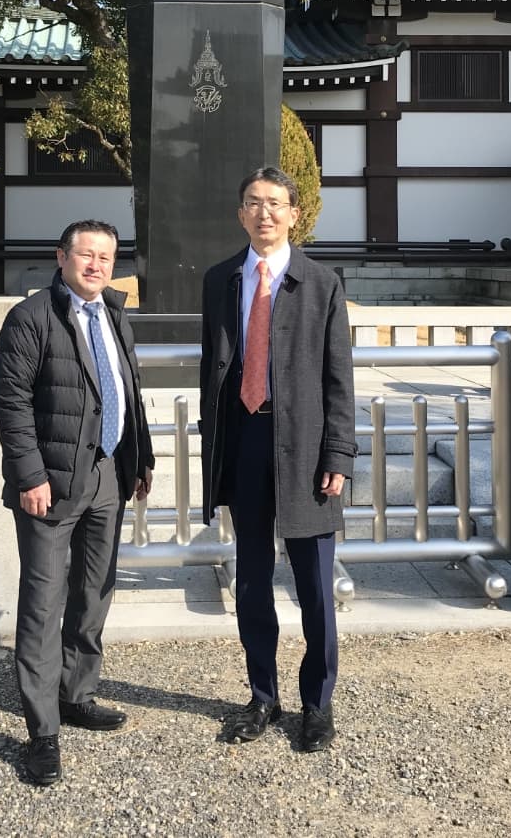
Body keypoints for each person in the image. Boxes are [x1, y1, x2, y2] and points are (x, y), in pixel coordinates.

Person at [0, 220, 154, 787]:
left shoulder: (113, 313)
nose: (95, 265)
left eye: (105, 257)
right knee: (43, 605)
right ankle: (42, 732)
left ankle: (76, 693)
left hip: (107, 476)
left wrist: (141, 461)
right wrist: (30, 475)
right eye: (85, 254)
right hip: (51, 486)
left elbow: (128, 389)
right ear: (61, 257)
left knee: (94, 592)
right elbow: (9, 403)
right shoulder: (30, 318)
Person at [199, 167, 356, 752]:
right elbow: (211, 368)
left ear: (295, 213)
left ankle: (318, 705)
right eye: (252, 204)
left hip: (307, 449)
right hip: (244, 440)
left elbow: (340, 378)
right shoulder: (220, 279)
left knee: (315, 583)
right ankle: (262, 695)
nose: (264, 213)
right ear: (240, 214)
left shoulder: (321, 283)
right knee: (252, 578)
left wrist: (339, 450)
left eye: (275, 204)